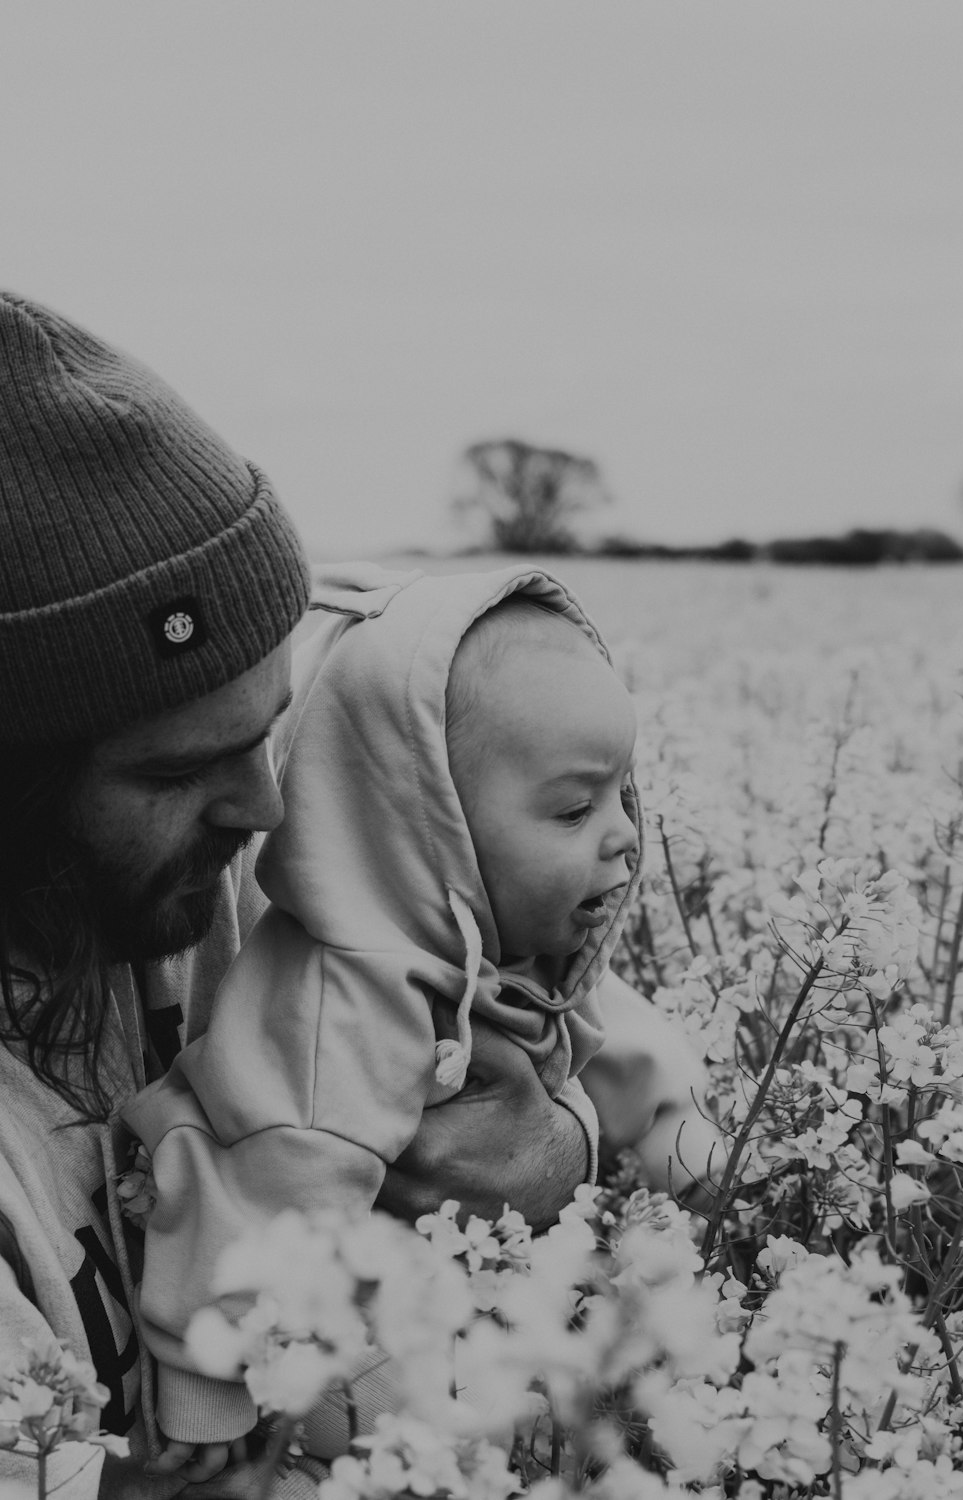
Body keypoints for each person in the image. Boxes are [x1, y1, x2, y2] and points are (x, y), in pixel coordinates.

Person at [0, 293, 605, 1500]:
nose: (261, 817)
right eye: (174, 772)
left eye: (261, 739)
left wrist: (553, 1150)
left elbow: (567, 1085)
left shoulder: (244, 889)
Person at [123, 564, 715, 1474]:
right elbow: (259, 1231)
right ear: (431, 824)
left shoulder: (495, 949)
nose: (627, 835)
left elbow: (610, 1057)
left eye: (621, 792)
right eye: (573, 808)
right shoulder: (344, 1013)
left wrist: (705, 1165)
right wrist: (214, 1415)